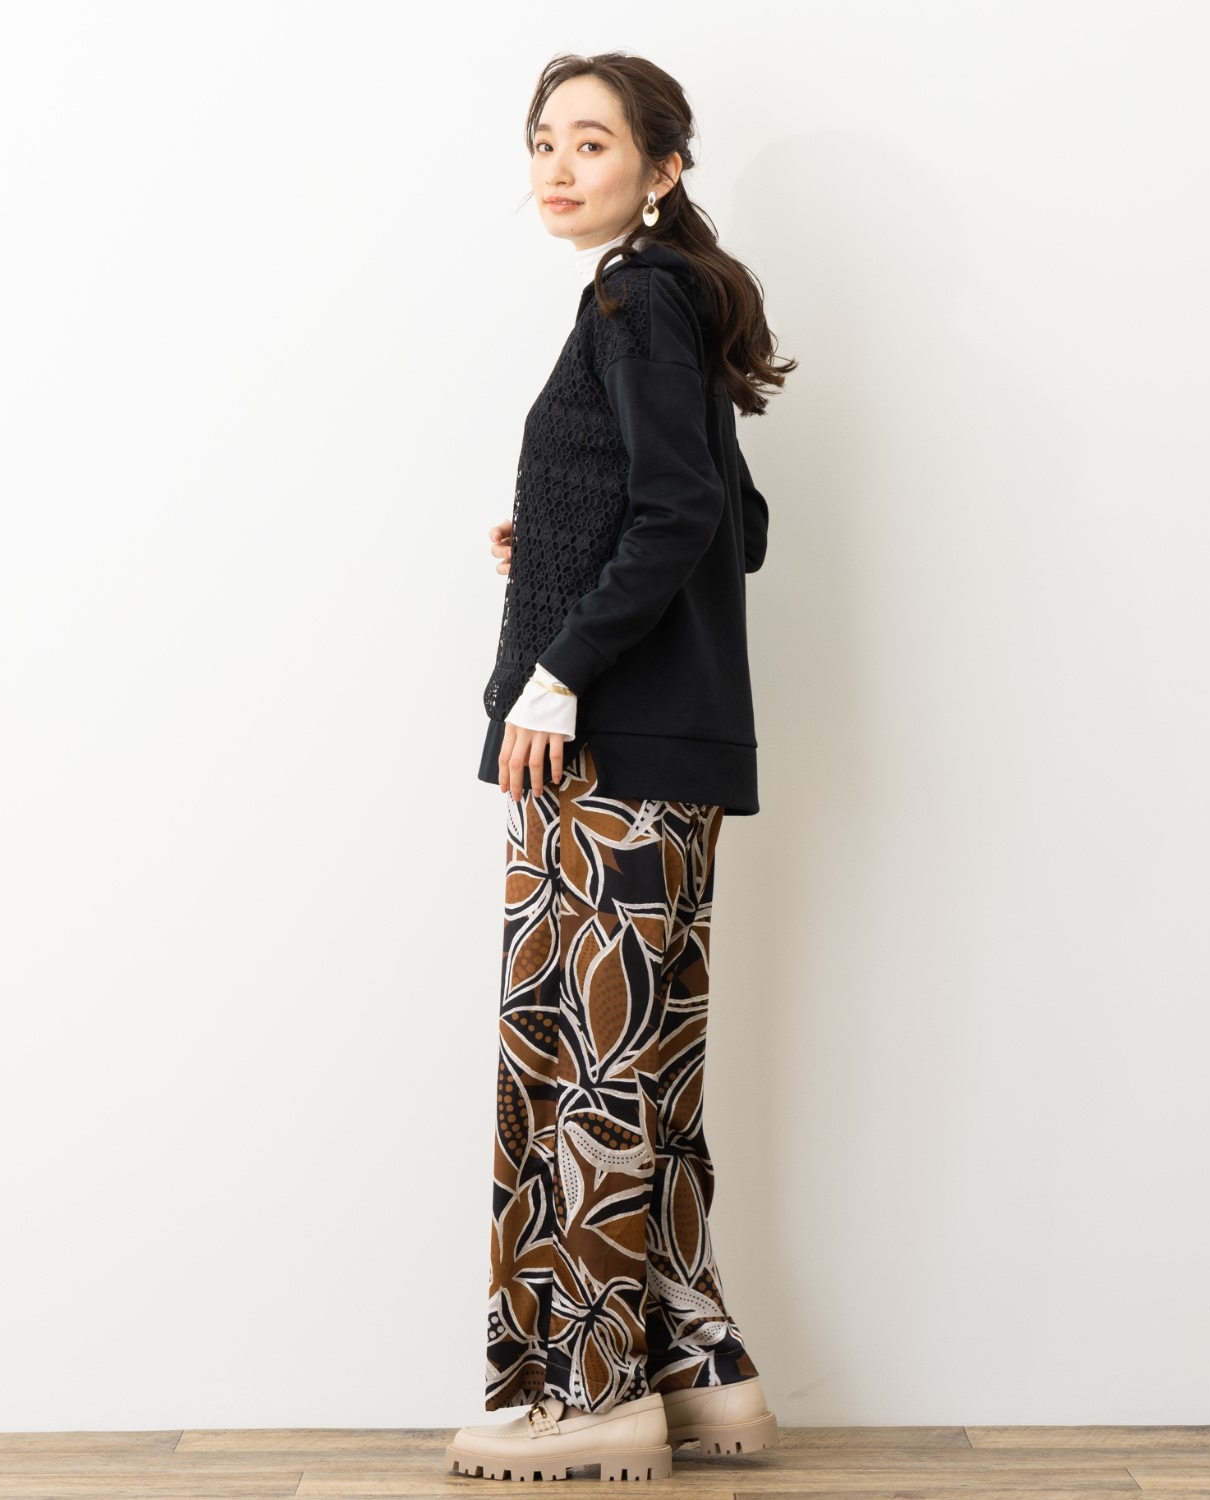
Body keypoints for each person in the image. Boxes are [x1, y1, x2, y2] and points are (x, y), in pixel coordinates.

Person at [447, 50, 797, 1483]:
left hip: (606, 753)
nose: (556, 165)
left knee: (586, 1075)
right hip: (675, 752)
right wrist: (559, 528)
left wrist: (559, 666)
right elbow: (732, 522)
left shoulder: (633, 298)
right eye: (543, 140)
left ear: (662, 168)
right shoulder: (673, 300)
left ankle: (591, 1397)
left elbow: (688, 516)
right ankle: (699, 1376)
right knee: (642, 1079)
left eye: (590, 142)